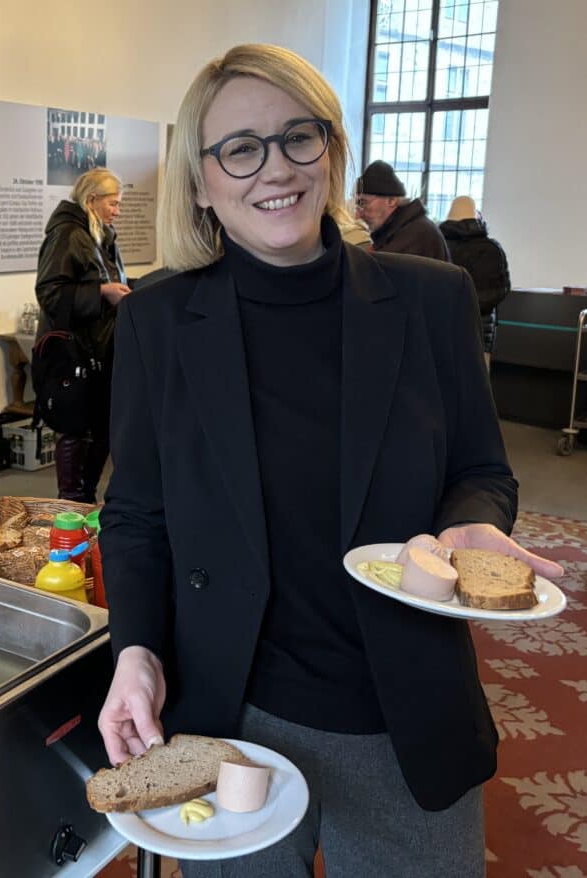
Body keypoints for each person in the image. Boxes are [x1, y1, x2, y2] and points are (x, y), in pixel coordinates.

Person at [97, 44, 563, 878]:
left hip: (400, 710)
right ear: (201, 182)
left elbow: (482, 470)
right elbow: (137, 512)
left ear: (331, 150)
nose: (274, 167)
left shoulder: (430, 299)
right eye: (240, 148)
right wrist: (135, 650)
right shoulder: (158, 323)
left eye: (297, 137)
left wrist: (469, 524)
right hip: (232, 712)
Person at [34, 168, 131, 503]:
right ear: (91, 200)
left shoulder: (101, 234)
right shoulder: (67, 234)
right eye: (113, 204)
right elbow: (49, 293)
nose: (117, 211)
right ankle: (72, 503)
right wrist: (102, 292)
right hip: (74, 355)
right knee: (77, 428)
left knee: (100, 427)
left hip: (100, 351)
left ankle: (84, 499)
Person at [441, 195, 511, 366]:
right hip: (479, 332)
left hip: (441, 330)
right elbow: (500, 290)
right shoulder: (491, 249)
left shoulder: (438, 243)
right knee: (476, 387)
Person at [355, 159, 451, 261]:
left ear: (391, 200)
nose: (358, 215)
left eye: (363, 202)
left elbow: (378, 271)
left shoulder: (417, 233)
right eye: (358, 203)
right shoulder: (401, 229)